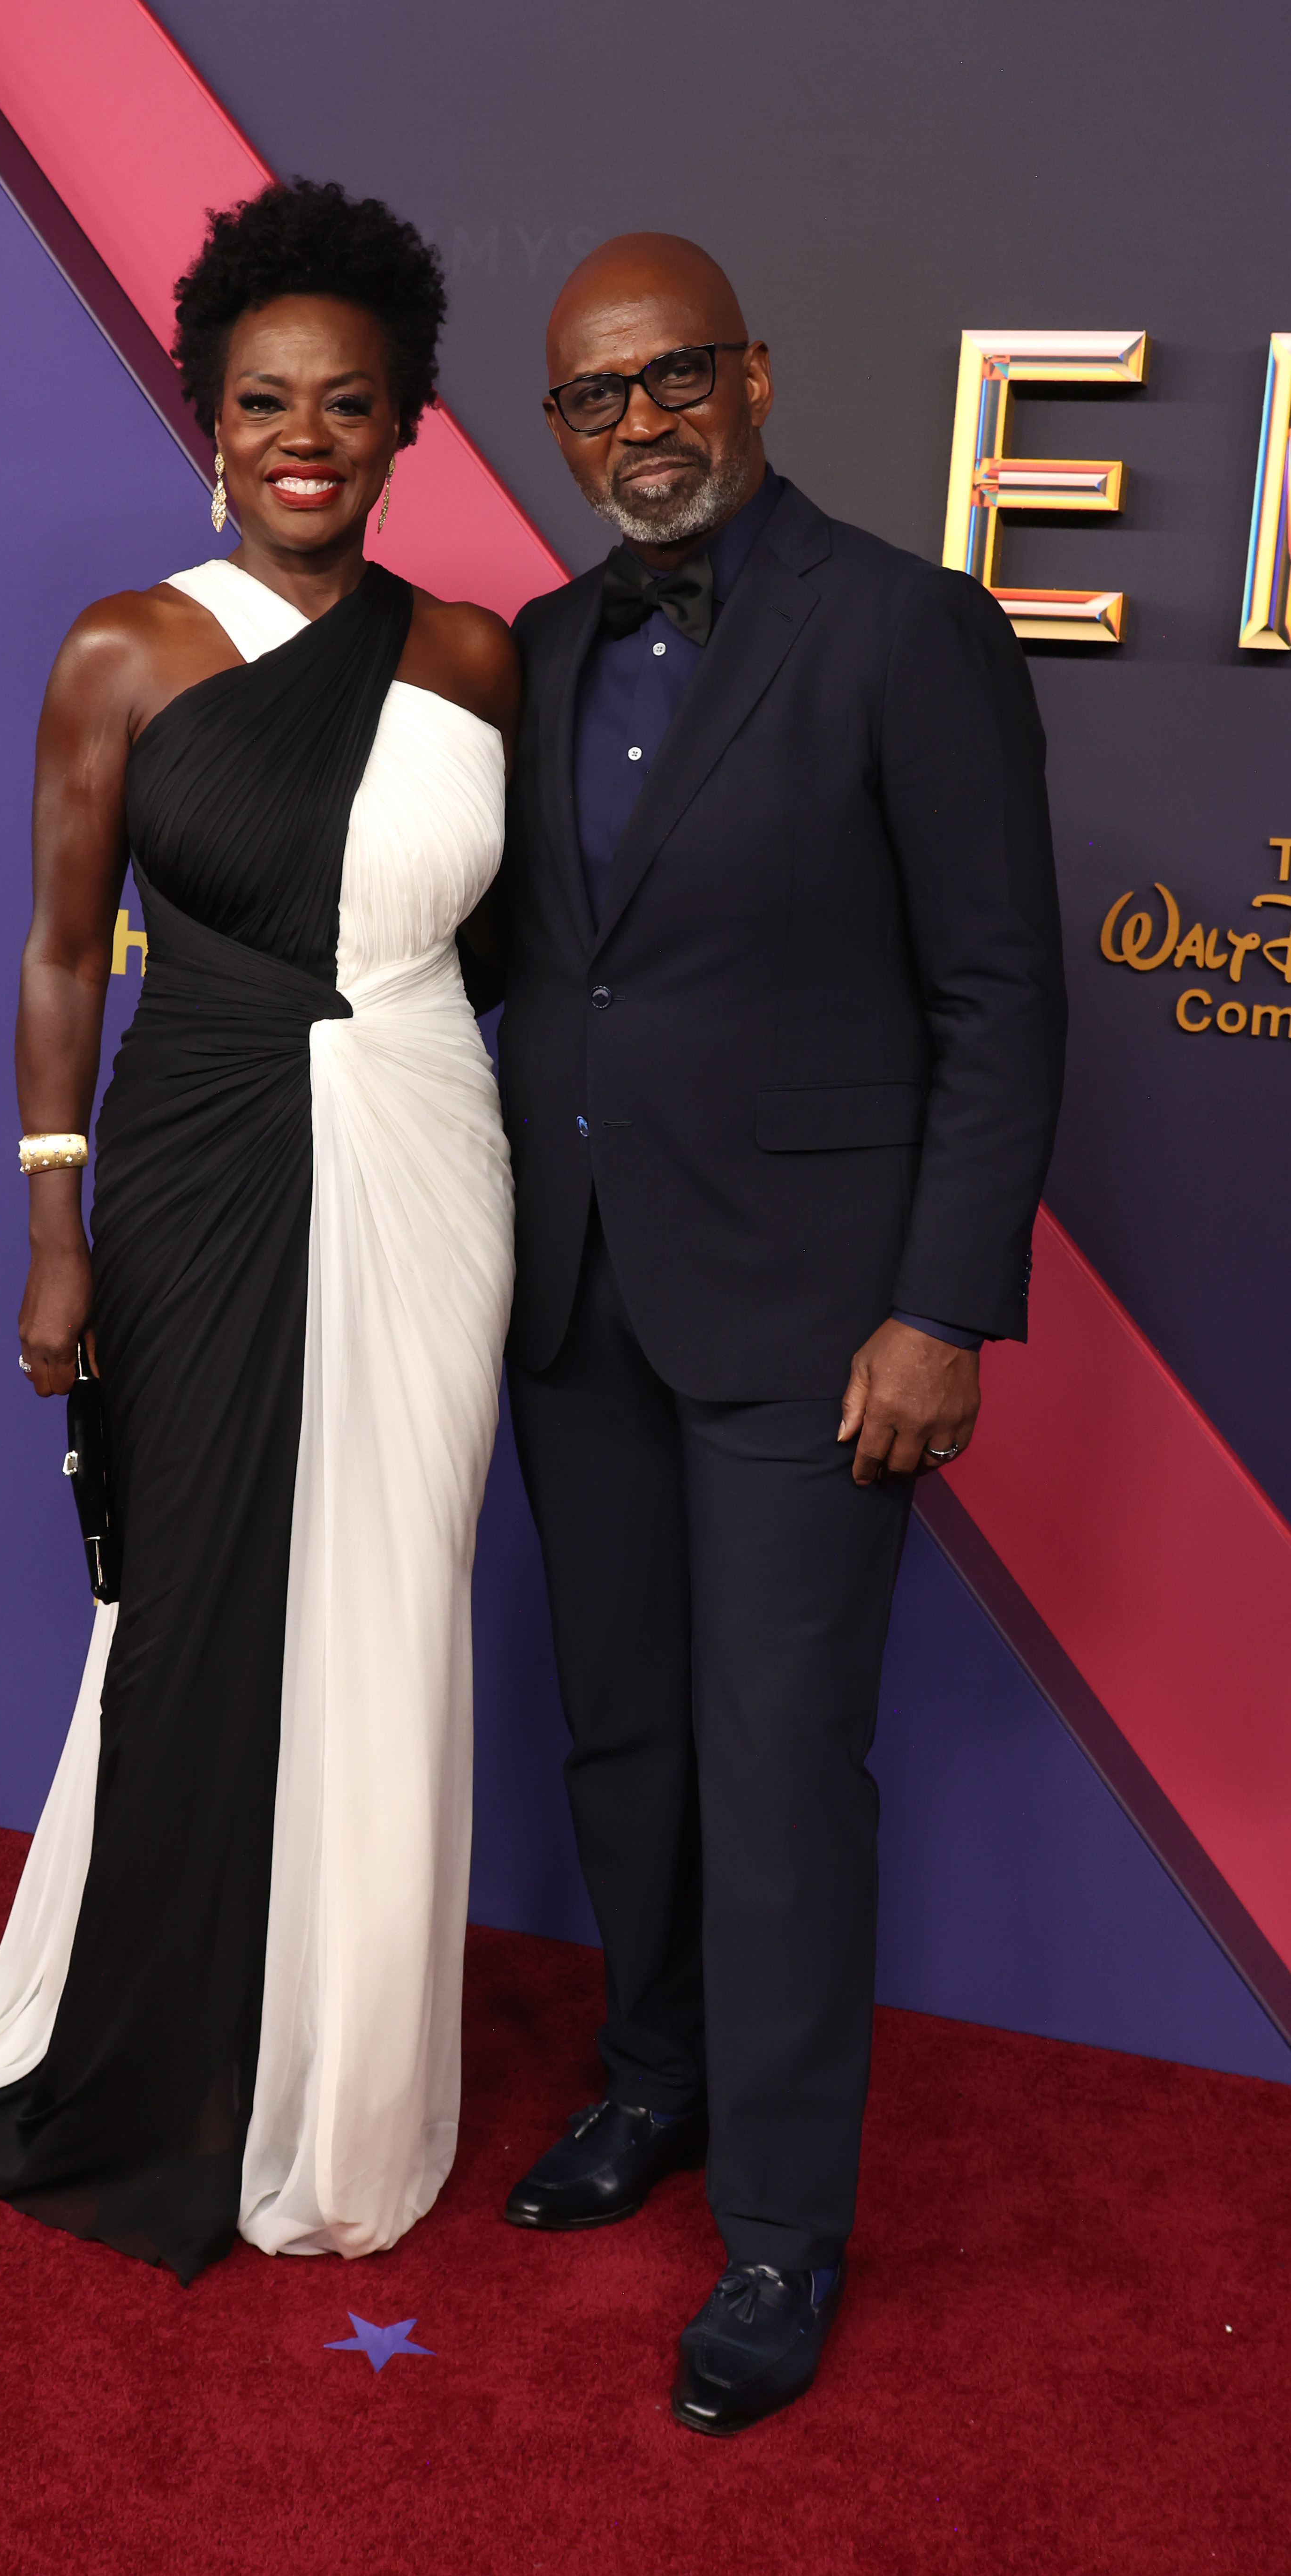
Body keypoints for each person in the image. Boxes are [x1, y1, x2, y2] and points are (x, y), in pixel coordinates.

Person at [0, 180, 520, 2286]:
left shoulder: (473, 659)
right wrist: (53, 1225)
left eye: (351, 403)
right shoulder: (128, 645)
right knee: (194, 1606)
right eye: (266, 398)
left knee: (394, 1602)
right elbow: (64, 955)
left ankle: (347, 2072)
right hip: (190, 1163)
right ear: (207, 412)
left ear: (407, 421)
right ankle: (172, 2047)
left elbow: (496, 947)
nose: (307, 437)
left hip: (434, 1157)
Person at [491, 235, 1066, 2430]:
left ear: (751, 377)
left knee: (778, 1768)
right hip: (576, 1300)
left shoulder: (905, 626)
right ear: (555, 429)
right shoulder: (535, 647)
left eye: (673, 379)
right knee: (623, 1740)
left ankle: (782, 2230)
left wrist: (941, 1307)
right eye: (591, 397)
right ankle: (656, 2089)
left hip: (820, 1325)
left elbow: (999, 990)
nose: (637, 425)